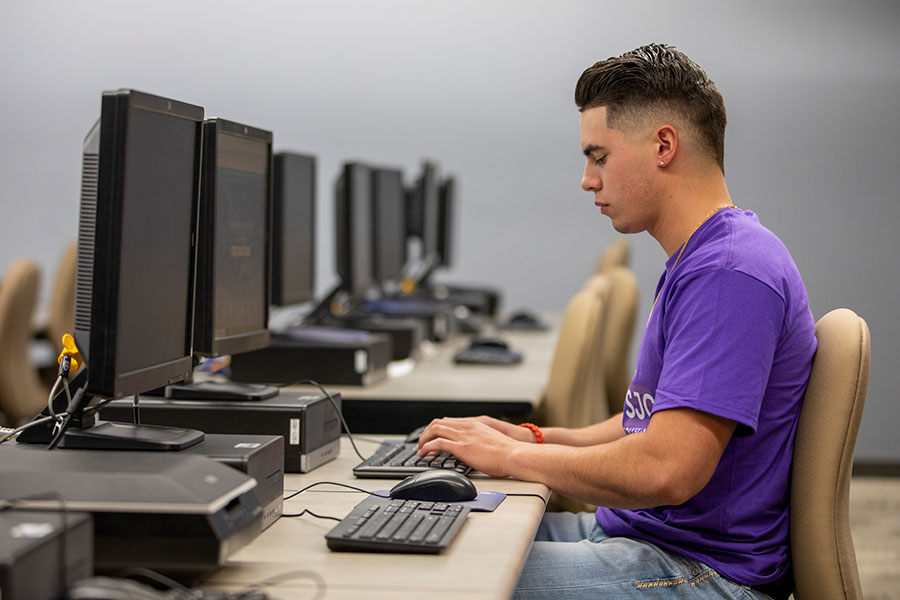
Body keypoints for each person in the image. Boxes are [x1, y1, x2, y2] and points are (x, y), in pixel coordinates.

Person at [417, 43, 817, 599]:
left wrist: (513, 458)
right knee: (426, 535)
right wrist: (535, 436)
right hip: (646, 534)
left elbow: (665, 469)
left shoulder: (730, 273)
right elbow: (649, 423)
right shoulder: (701, 259)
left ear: (663, 145)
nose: (587, 179)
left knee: (430, 579)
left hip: (705, 572)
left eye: (599, 156)